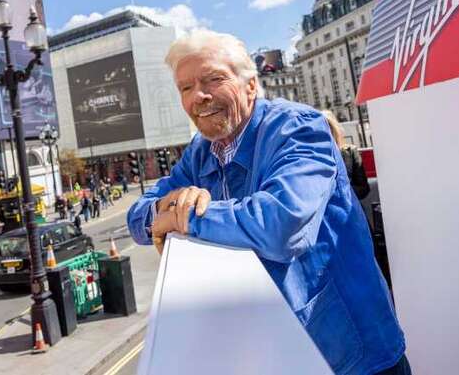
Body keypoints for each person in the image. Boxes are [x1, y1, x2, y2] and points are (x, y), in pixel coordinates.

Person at [126, 29, 408, 375]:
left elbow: (280, 225)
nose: (198, 96)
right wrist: (161, 211)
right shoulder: (200, 153)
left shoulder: (299, 128)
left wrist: (187, 217)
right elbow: (137, 217)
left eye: (213, 79)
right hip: (273, 350)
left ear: (250, 86)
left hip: (351, 355)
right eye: (185, 87)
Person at [322, 111, 372, 201]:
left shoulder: (350, 152)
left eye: (328, 127)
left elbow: (364, 188)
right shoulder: (313, 157)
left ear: (334, 130)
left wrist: (341, 191)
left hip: (350, 210)